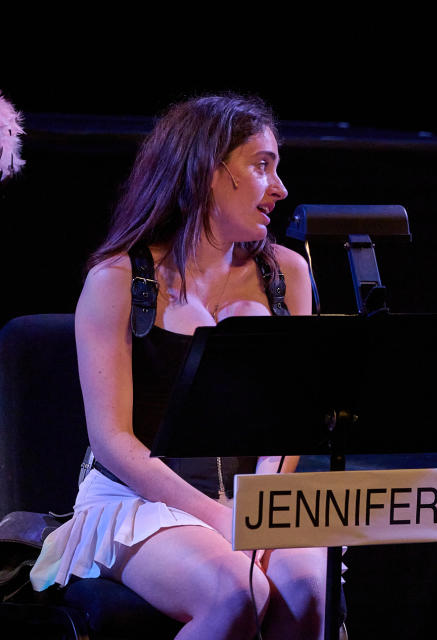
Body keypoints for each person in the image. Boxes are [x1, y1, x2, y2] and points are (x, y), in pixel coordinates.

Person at [29, 95, 333, 639]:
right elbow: (113, 440)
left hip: (250, 500)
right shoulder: (117, 280)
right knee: (236, 592)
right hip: (135, 501)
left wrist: (259, 513)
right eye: (262, 165)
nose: (280, 188)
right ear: (207, 172)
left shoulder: (288, 275)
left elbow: (291, 421)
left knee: (311, 592)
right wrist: (223, 522)